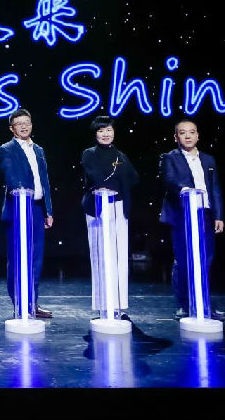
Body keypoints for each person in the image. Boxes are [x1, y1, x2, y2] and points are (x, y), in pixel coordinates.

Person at [158, 119, 225, 320]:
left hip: (205, 214)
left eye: (192, 132)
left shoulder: (208, 159)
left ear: (198, 135)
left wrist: (219, 215)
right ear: (176, 137)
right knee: (183, 259)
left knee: (206, 259)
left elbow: (215, 188)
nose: (187, 136)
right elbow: (168, 179)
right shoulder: (169, 157)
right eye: (183, 133)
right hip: (182, 214)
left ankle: (204, 303)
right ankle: (183, 304)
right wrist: (185, 190)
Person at [0, 108, 54, 318]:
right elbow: (10, 177)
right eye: (19, 123)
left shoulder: (38, 150)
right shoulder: (6, 149)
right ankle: (19, 303)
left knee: (36, 258)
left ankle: (32, 302)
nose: (23, 126)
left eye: (26, 122)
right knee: (18, 257)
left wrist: (48, 210)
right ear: (12, 128)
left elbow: (44, 182)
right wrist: (21, 192)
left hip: (37, 209)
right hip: (18, 208)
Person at [81, 116, 139, 319]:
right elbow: (95, 176)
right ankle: (103, 305)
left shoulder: (121, 156)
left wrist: (119, 186)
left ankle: (119, 306)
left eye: (109, 130)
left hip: (119, 207)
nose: (105, 134)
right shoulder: (89, 153)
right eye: (101, 131)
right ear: (95, 133)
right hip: (98, 208)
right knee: (100, 256)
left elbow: (134, 177)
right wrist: (109, 184)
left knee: (119, 257)